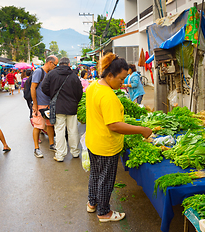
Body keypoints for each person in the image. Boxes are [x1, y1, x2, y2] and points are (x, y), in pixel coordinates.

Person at [85, 53, 152, 222]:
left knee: (95, 174)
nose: (122, 83)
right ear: (109, 75)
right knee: (106, 179)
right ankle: (104, 212)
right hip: (106, 146)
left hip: (93, 141)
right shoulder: (108, 96)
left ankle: (92, 203)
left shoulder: (94, 86)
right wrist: (142, 130)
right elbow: (114, 125)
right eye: (121, 80)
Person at [42, 57, 83, 162]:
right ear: (69, 64)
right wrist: (75, 101)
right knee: (73, 130)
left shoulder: (52, 74)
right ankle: (75, 152)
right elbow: (80, 92)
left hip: (58, 107)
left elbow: (44, 87)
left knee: (59, 131)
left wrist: (53, 95)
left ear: (59, 64)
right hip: (72, 107)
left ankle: (60, 155)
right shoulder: (74, 76)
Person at [31, 55, 58, 158]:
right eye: (55, 65)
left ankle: (52, 144)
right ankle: (36, 149)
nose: (55, 67)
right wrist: (35, 104)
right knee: (38, 126)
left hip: (49, 104)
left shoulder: (49, 73)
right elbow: (33, 88)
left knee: (50, 125)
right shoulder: (39, 72)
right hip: (40, 105)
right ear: (50, 63)